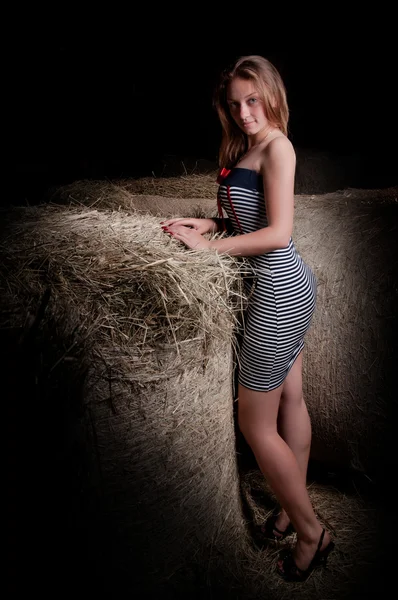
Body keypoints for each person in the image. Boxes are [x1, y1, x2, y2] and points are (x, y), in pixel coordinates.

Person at [160, 55, 334, 582]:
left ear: (271, 94)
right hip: (287, 286)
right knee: (291, 400)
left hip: (277, 290)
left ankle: (311, 533)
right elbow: (249, 215)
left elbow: (278, 233)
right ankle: (289, 508)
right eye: (235, 103)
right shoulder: (251, 146)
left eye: (252, 99)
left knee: (254, 424)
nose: (243, 112)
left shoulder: (278, 147)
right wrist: (208, 222)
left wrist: (205, 250)